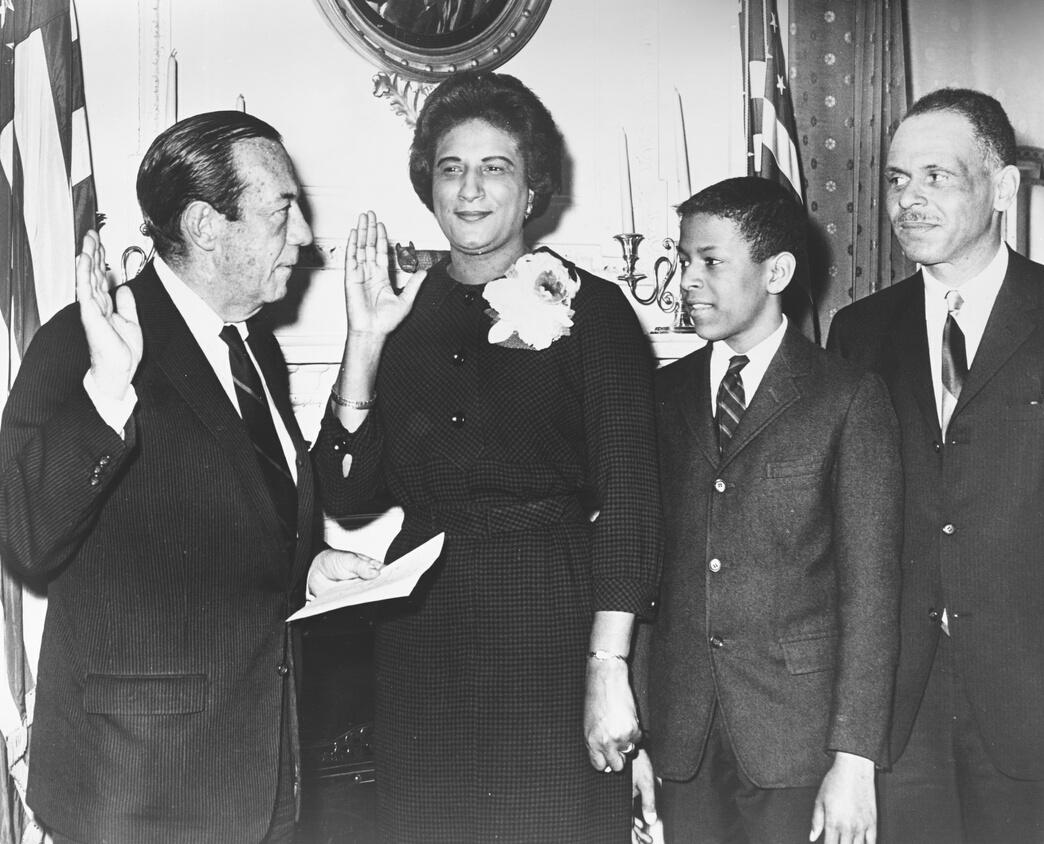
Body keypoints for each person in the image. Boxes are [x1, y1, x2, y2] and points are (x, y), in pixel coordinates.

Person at [0, 110, 381, 843]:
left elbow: (238, 518)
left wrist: (312, 568)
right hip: (138, 786)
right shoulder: (91, 336)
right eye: (282, 211)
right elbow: (22, 533)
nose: (303, 236)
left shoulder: (255, 350)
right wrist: (107, 392)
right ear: (207, 226)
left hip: (257, 767)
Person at [308, 71, 663, 843]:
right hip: (422, 631)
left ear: (533, 189)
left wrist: (609, 668)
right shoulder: (396, 311)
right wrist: (364, 343)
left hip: (554, 624)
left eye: (494, 167)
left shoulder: (594, 309)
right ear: (427, 184)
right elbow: (343, 495)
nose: (469, 190)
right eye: (450, 168)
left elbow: (634, 499)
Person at [632, 176, 903, 844]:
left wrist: (855, 757)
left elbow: (872, 593)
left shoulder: (846, 397)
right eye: (682, 258)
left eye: (710, 262)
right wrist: (641, 734)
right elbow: (642, 571)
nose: (685, 280)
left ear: (776, 269)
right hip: (683, 735)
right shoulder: (661, 395)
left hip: (798, 739)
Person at [828, 88, 1044, 843]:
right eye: (895, 179)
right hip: (899, 702)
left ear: (1004, 189)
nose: (908, 200)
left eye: (936, 176)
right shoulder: (857, 334)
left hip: (1031, 695)